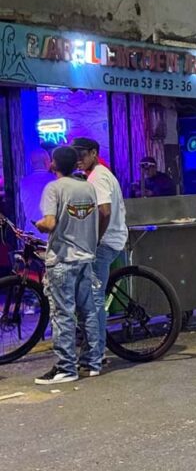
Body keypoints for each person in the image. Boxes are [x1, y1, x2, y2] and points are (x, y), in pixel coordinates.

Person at [32, 146, 100, 385]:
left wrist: (39, 224)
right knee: (88, 311)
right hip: (85, 257)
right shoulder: (88, 187)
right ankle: (92, 363)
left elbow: (50, 223)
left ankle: (65, 368)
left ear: (53, 164)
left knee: (62, 315)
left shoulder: (54, 188)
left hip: (62, 259)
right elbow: (98, 215)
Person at [70, 137, 127, 374]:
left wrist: (93, 241)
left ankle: (96, 354)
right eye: (76, 155)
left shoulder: (98, 177)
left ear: (94, 153)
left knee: (93, 301)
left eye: (82, 154)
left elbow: (104, 211)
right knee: (90, 299)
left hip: (103, 245)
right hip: (108, 241)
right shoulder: (94, 176)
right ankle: (94, 352)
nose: (79, 159)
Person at [19, 148, 52, 237]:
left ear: (31, 163)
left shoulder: (23, 182)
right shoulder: (55, 181)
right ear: (47, 162)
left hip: (31, 233)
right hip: (51, 234)